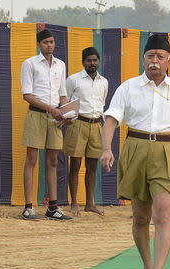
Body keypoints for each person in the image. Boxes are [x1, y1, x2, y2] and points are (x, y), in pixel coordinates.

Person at [100, 34, 170, 269]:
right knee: (141, 217)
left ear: (169, 60)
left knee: (162, 212)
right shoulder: (128, 87)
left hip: (168, 150)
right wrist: (107, 149)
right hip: (136, 149)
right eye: (150, 56)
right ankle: (146, 267)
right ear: (144, 58)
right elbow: (111, 120)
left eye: (160, 57)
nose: (155, 61)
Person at [20, 29, 73, 221]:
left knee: (53, 161)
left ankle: (53, 207)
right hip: (36, 115)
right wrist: (52, 109)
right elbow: (27, 95)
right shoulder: (29, 64)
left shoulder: (60, 65)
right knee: (31, 160)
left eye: (51, 42)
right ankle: (28, 207)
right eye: (45, 42)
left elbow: (63, 94)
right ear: (38, 44)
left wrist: (68, 112)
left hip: (55, 118)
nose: (49, 45)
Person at [63, 47, 108, 216]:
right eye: (89, 60)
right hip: (78, 123)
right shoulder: (73, 80)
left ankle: (90, 203)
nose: (92, 63)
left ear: (99, 62)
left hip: (97, 125)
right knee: (74, 165)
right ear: (83, 62)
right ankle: (74, 202)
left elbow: (102, 104)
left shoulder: (104, 81)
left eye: (95, 60)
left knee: (92, 166)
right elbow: (65, 102)